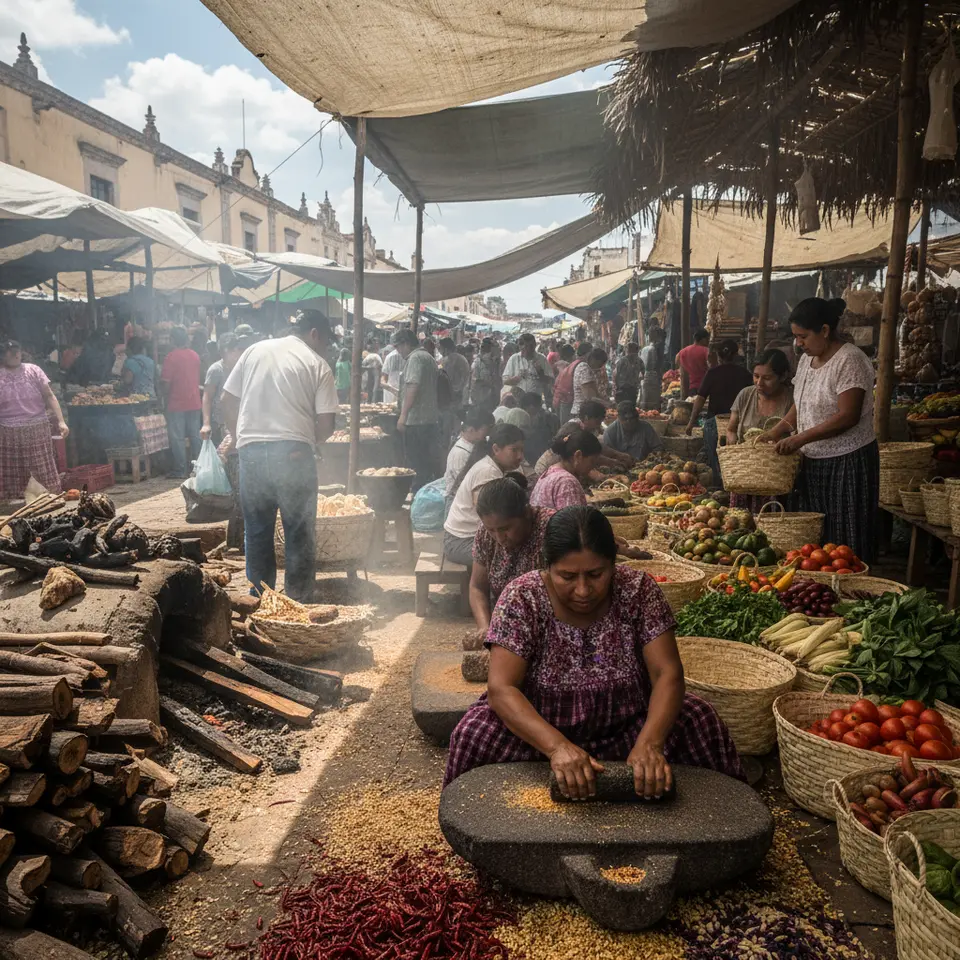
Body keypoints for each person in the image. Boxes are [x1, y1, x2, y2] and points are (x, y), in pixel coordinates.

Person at [444, 506, 745, 793]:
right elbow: (502, 688)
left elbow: (667, 672)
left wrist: (650, 744)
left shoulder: (638, 589)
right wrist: (557, 747)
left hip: (629, 724)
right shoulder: (522, 597)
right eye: (567, 576)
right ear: (547, 566)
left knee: (700, 719)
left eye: (596, 574)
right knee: (473, 733)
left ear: (614, 564)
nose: (583, 590)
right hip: (540, 728)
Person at [221, 310, 338, 602]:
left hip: (251, 453)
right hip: (294, 454)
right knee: (298, 529)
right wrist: (309, 440)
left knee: (257, 528)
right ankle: (298, 599)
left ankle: (260, 598)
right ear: (314, 334)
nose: (327, 347)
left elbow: (227, 399)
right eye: (326, 340)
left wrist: (237, 437)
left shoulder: (254, 351)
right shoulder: (317, 364)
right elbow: (326, 424)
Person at [758, 298, 879, 563]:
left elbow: (848, 416)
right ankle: (822, 588)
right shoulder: (806, 361)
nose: (798, 343)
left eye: (803, 336)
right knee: (817, 536)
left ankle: (854, 590)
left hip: (848, 460)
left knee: (847, 537)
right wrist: (777, 431)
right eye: (795, 337)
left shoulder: (850, 360)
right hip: (813, 460)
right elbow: (800, 405)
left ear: (824, 330)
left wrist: (800, 438)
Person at [468, 478, 555, 636]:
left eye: (505, 528)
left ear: (527, 512)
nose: (499, 537)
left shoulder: (552, 528)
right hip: (504, 623)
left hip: (549, 626)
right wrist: (485, 628)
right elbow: (477, 587)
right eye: (491, 530)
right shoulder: (484, 534)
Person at [443, 423, 525, 566]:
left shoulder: (492, 467)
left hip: (465, 538)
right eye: (514, 450)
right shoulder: (487, 472)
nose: (520, 456)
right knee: (514, 559)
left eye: (522, 450)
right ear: (496, 449)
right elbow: (486, 518)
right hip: (460, 542)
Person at [0, 339, 68, 499]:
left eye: (16, 350)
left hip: (37, 428)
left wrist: (61, 421)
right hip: (7, 432)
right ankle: (16, 503)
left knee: (41, 467)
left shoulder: (33, 370)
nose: (14, 354)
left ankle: (50, 498)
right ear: (3, 355)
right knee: (14, 470)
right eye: (10, 351)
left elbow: (50, 396)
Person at [684, 338, 753, 490]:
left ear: (718, 356)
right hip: (738, 426)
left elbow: (700, 399)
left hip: (714, 424)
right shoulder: (745, 374)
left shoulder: (712, 373)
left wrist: (691, 422)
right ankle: (734, 491)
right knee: (736, 462)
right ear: (735, 355)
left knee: (715, 461)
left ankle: (719, 491)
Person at [533, 399, 631, 478]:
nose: (598, 425)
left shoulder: (590, 429)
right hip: (548, 468)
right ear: (586, 417)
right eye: (597, 421)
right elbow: (587, 455)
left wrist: (618, 456)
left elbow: (598, 448)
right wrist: (611, 462)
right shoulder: (573, 428)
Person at [394, 329, 440, 493]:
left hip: (416, 420)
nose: (398, 351)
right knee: (426, 463)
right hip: (430, 419)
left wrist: (403, 416)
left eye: (398, 347)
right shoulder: (428, 357)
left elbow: (412, 386)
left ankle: (418, 495)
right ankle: (424, 494)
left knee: (416, 464)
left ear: (406, 344)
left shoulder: (415, 358)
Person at [160, 326, 203, 478]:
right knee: (195, 436)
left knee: (177, 438)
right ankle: (199, 467)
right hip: (195, 401)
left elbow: (166, 383)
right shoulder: (195, 355)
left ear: (172, 340)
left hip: (177, 403)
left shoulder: (170, 357)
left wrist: (162, 397)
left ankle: (180, 469)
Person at [531, 428, 601, 510]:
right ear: (578, 455)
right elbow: (573, 520)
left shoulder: (552, 471)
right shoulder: (567, 482)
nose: (593, 467)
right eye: (592, 461)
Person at [444, 407, 495, 515]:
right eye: (485, 430)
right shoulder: (460, 453)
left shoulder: (474, 446)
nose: (487, 434)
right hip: (458, 504)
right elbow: (464, 485)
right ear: (471, 430)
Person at [200, 334, 244, 446]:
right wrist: (206, 424)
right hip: (221, 423)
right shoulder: (216, 370)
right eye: (236, 349)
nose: (239, 352)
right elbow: (207, 397)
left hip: (239, 421)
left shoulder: (242, 368)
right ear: (226, 351)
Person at [502, 333, 553, 398]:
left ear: (534, 346)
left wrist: (541, 374)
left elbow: (551, 381)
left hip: (535, 401)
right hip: (517, 400)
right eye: (522, 346)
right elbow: (505, 381)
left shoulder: (542, 359)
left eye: (528, 346)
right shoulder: (514, 358)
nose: (525, 349)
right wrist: (518, 377)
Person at [571, 348, 611, 418]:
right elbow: (590, 397)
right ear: (593, 359)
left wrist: (607, 400)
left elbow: (595, 393)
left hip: (586, 411)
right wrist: (607, 404)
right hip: (582, 413)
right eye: (599, 364)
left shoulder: (586, 368)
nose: (599, 367)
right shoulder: (584, 368)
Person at [676, 328, 711, 393]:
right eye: (708, 339)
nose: (708, 342)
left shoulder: (682, 352)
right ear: (703, 339)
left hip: (690, 388)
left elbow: (677, 361)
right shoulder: (706, 351)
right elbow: (711, 367)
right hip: (704, 386)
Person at [438, 337, 470, 406]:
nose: (439, 351)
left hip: (453, 397)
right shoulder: (462, 358)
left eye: (440, 348)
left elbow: (447, 379)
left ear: (445, 349)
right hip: (462, 395)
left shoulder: (448, 360)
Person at [640, 327, 665, 411]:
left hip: (645, 376)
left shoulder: (644, 349)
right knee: (653, 401)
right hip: (652, 376)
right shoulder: (653, 349)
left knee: (645, 399)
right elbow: (653, 365)